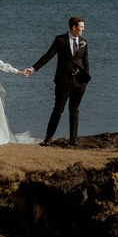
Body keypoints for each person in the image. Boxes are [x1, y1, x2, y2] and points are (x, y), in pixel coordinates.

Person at [29, 15, 91, 146]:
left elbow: (85, 62)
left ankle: (73, 139)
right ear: (74, 27)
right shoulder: (60, 40)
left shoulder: (84, 42)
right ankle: (48, 138)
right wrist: (34, 68)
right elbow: (48, 56)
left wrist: (86, 79)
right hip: (63, 81)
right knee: (58, 109)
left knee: (74, 110)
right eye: (81, 27)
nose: (83, 30)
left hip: (79, 83)